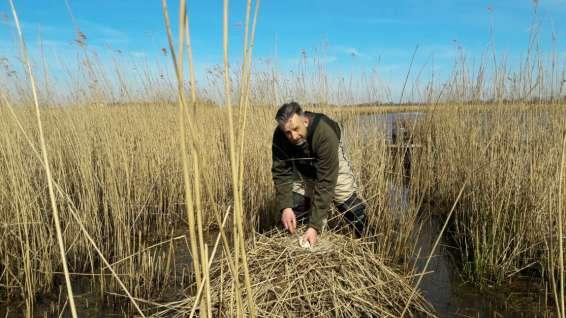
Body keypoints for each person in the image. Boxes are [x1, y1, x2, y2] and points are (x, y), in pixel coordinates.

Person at [271, 101, 367, 246]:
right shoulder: (280, 136)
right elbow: (281, 172)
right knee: (295, 202)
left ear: (305, 121)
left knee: (346, 200)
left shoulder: (324, 133)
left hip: (329, 158)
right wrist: (285, 207)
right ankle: (302, 237)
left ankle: (366, 237)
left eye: (296, 129)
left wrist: (314, 226)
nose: (294, 136)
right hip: (300, 161)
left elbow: (326, 182)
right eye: (288, 133)